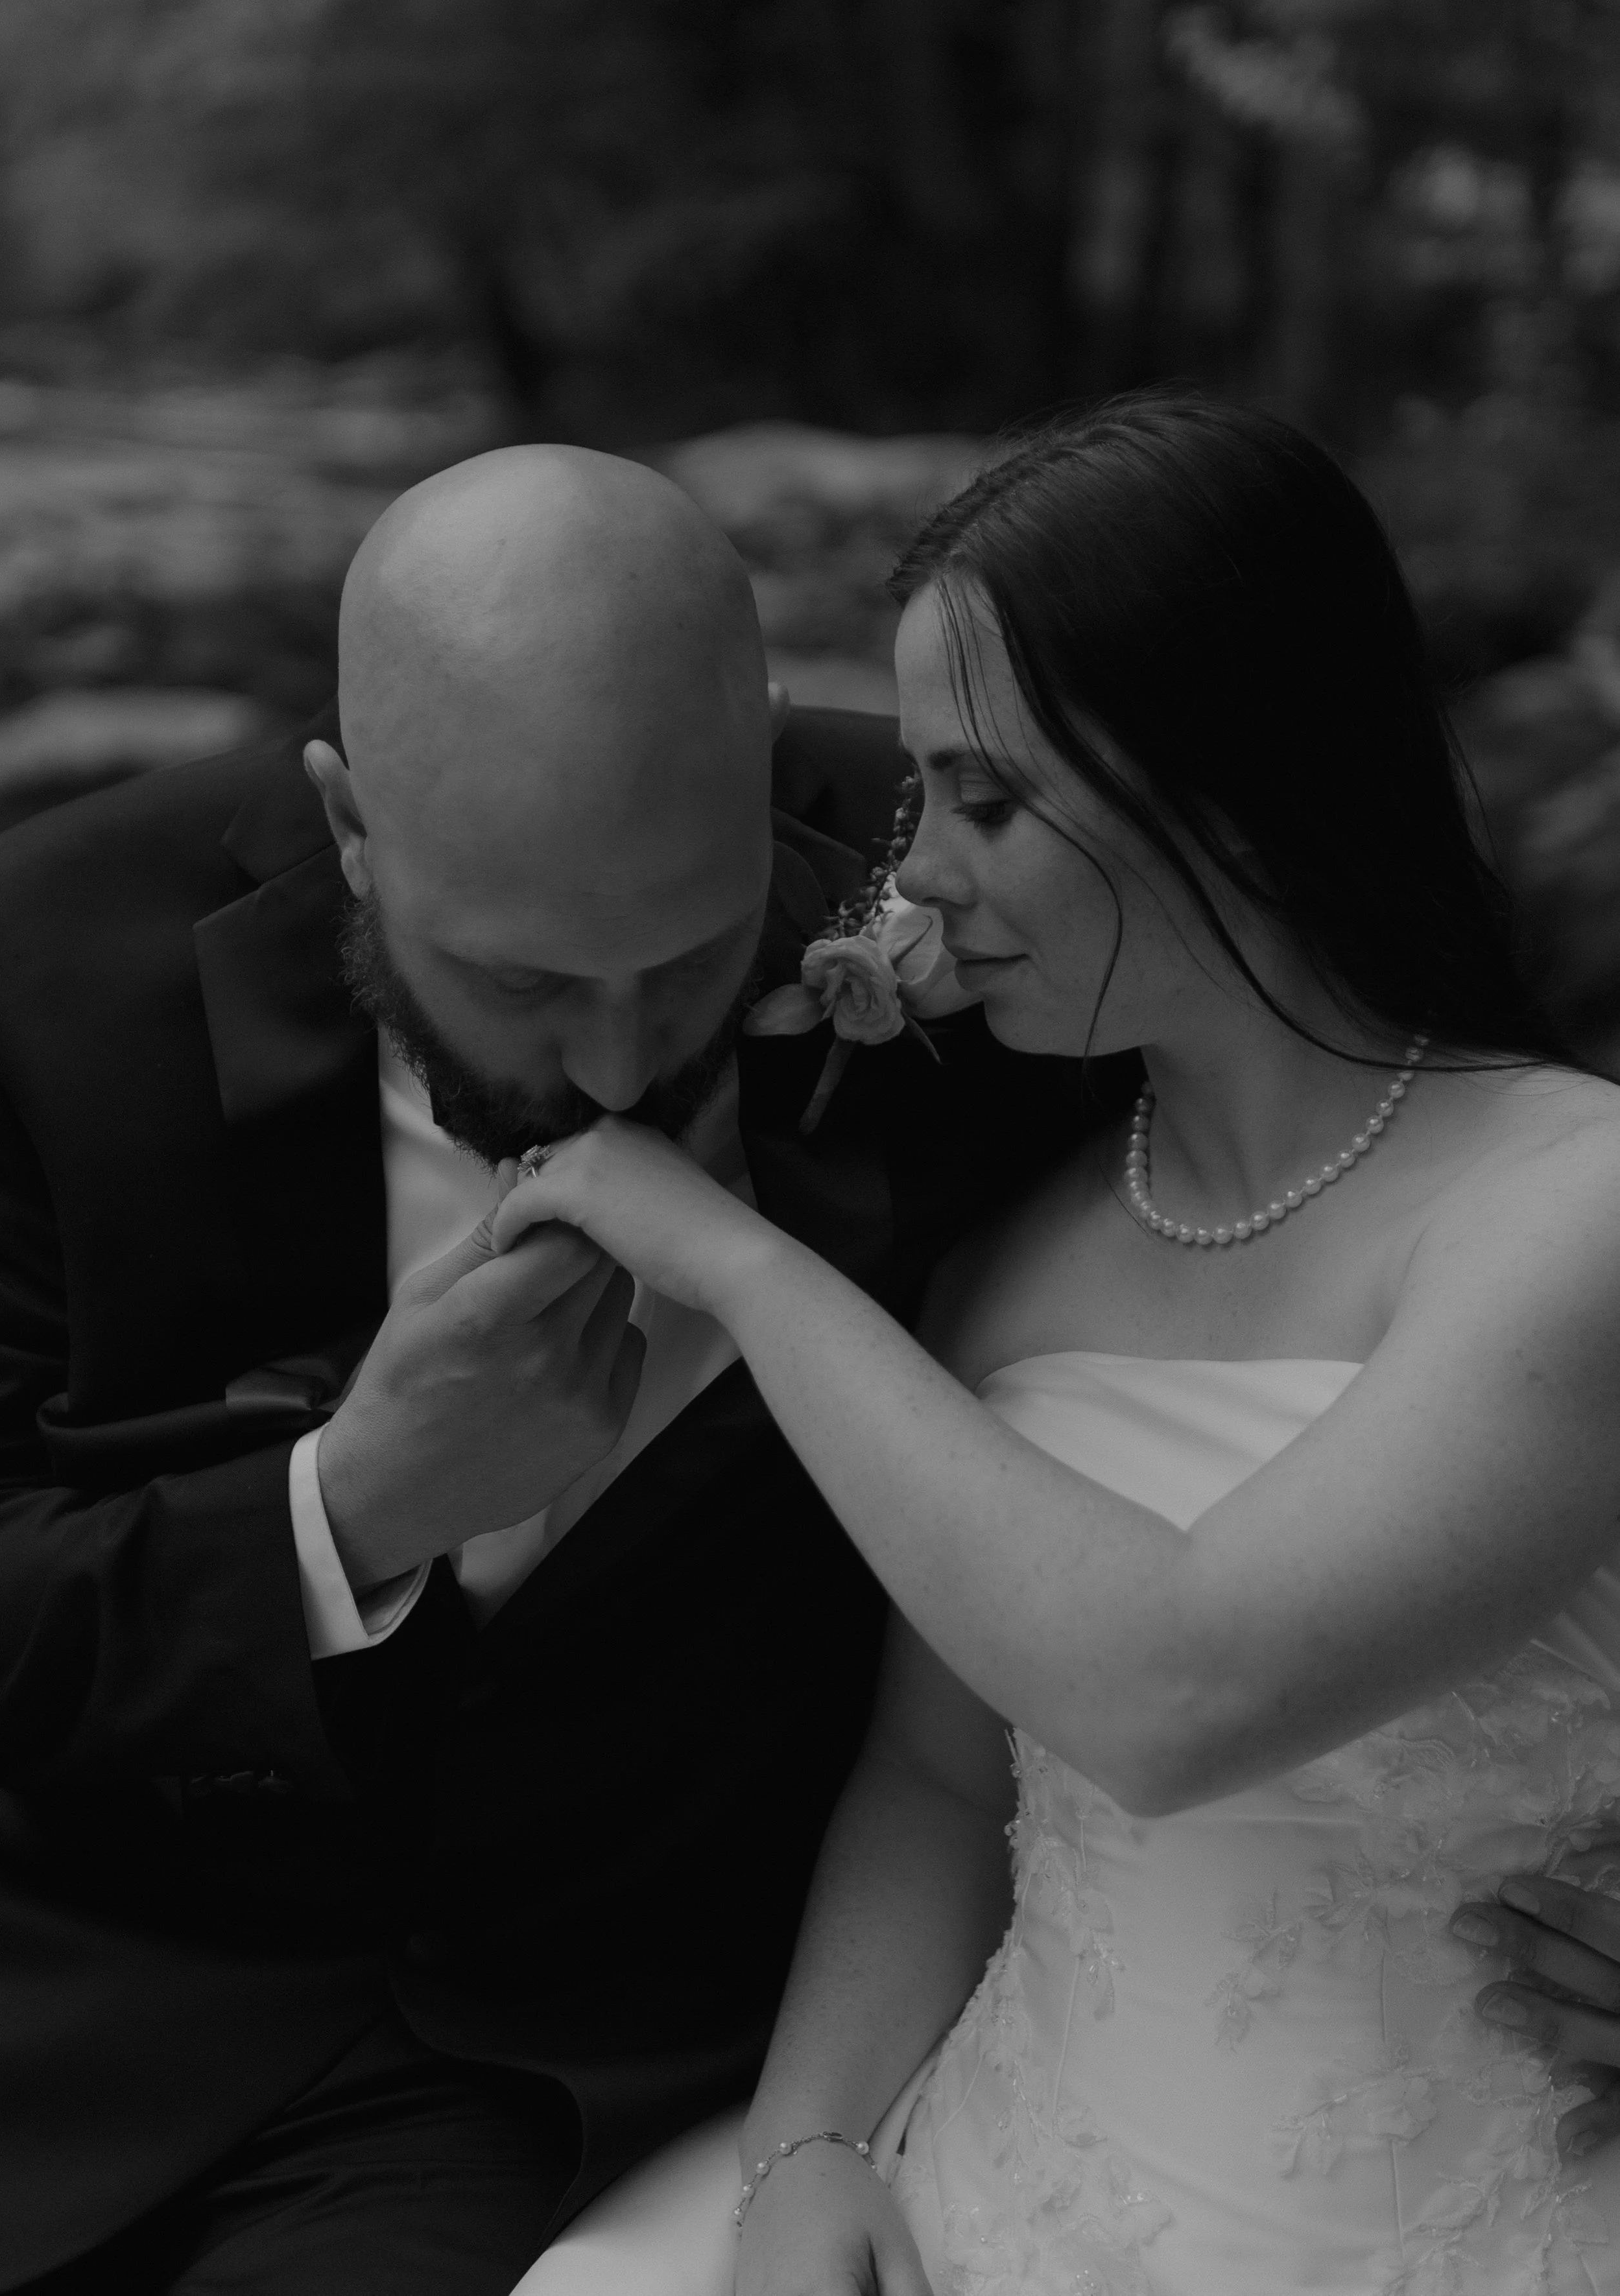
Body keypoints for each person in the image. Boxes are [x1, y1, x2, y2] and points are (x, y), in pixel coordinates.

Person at [492, 396, 1620, 2295]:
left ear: (1233, 779)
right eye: (923, 790)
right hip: (1009, 2172)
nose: (913, 869)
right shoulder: (1016, 1247)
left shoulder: (1563, 1205)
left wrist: (739, 1265)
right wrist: (808, 2146)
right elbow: (937, 1782)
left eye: (989, 799)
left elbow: (1172, 1690)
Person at [0, 445, 1082, 2293]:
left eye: (679, 963)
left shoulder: (991, 879)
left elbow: (1402, 1112)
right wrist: (347, 1507)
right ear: (352, 826)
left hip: (562, 2044)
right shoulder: (42, 978)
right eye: (517, 982)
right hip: (75, 1982)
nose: (605, 1067)